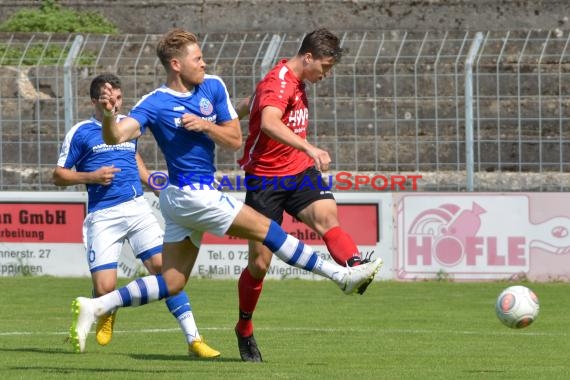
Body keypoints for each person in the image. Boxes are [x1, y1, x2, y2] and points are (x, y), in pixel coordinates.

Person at [68, 28, 383, 356]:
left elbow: (234, 139)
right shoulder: (156, 102)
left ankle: (98, 305)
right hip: (191, 195)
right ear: (176, 64)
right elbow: (115, 136)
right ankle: (340, 276)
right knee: (269, 231)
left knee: (172, 282)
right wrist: (107, 118)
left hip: (184, 200)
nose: (204, 63)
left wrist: (206, 125)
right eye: (197, 58)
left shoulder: (213, 87)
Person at [233, 28, 378, 362]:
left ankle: (354, 267)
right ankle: (244, 327)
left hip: (298, 172)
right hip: (265, 181)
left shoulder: (294, 82)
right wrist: (310, 146)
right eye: (324, 67)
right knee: (259, 264)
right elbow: (269, 121)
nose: (325, 75)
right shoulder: (278, 81)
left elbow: (252, 103)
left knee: (327, 217)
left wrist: (227, 116)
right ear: (308, 56)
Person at [55, 73, 220, 358]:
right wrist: (91, 176)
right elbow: (58, 175)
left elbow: (138, 165)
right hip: (103, 215)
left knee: (166, 271)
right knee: (105, 286)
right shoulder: (81, 132)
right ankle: (105, 306)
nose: (115, 104)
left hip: (137, 209)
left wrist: (160, 188)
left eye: (119, 98)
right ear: (95, 100)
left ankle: (194, 339)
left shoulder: (129, 127)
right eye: (109, 99)